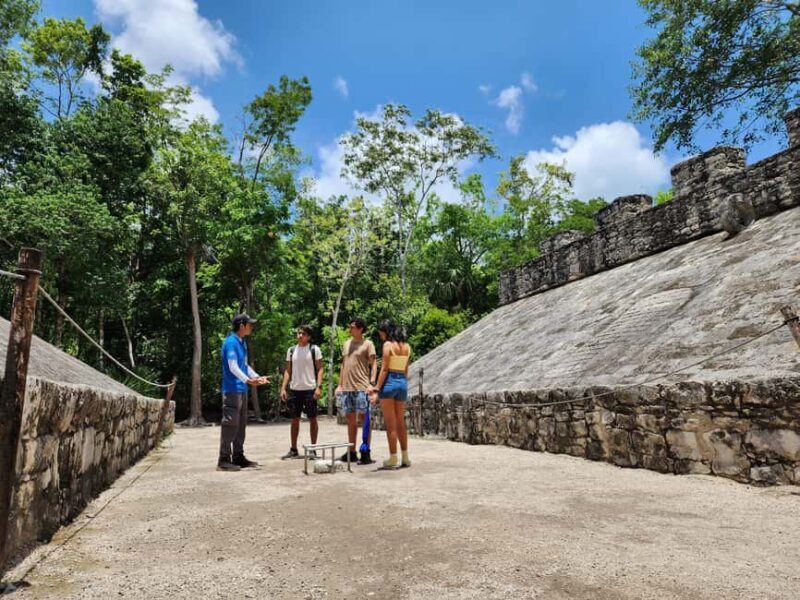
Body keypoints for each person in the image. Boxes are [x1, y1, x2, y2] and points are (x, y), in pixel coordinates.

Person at [218, 313, 270, 471]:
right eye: (249, 324)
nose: (251, 327)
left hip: (241, 389)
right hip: (232, 389)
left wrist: (257, 377)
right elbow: (233, 367)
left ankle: (238, 456)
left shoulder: (242, 342)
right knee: (230, 424)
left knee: (240, 425)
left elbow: (244, 366)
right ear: (241, 326)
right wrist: (248, 380)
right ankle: (224, 459)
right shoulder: (231, 342)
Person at [370, 320, 411, 470]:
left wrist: (376, 389)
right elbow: (406, 369)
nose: (380, 335)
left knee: (391, 423)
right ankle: (405, 457)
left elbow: (385, 369)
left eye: (381, 332)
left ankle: (393, 458)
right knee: (401, 422)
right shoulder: (406, 346)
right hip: (402, 382)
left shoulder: (387, 345)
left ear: (385, 331)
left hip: (389, 382)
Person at [335, 318, 377, 463]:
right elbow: (343, 365)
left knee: (364, 418)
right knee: (350, 419)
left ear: (360, 329)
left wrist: (372, 384)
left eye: (352, 327)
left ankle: (366, 451)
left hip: (362, 386)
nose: (349, 329)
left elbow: (374, 364)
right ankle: (351, 452)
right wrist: (339, 384)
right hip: (347, 387)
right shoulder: (346, 343)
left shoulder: (368, 344)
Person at [279, 325, 324, 459]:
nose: (300, 336)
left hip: (310, 388)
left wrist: (319, 386)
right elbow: (288, 370)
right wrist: (283, 388)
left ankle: (313, 449)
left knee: (313, 419)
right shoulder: (291, 350)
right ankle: (293, 449)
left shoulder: (314, 349)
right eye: (299, 333)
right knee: (294, 419)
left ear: (308, 336)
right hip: (295, 389)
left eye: (303, 334)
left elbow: (320, 368)